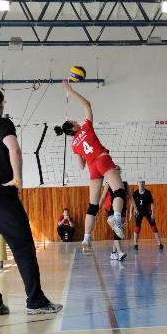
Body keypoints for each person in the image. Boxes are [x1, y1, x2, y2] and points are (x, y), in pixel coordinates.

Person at [0, 87, 62, 316]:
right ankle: (36, 302)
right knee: (23, 247)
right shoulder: (1, 123)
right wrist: (17, 179)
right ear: (1, 104)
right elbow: (14, 149)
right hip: (1, 197)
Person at [55, 80, 127, 252]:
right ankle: (116, 218)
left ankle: (86, 238)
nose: (76, 120)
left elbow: (80, 166)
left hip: (92, 168)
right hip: (102, 159)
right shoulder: (86, 127)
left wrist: (82, 151)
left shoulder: (74, 144)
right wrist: (70, 90)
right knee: (119, 190)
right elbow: (87, 104)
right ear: (74, 126)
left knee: (93, 206)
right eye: (74, 121)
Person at [100, 167, 136, 261]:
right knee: (117, 230)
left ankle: (113, 253)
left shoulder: (125, 184)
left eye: (117, 170)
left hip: (122, 209)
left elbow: (131, 197)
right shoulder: (108, 183)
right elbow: (103, 197)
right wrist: (96, 209)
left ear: (119, 172)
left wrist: (135, 208)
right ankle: (120, 253)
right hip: (111, 210)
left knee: (118, 231)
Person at [132, 180, 164, 250]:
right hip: (138, 212)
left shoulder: (148, 193)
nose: (141, 184)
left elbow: (151, 204)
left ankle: (160, 244)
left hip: (148, 211)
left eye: (142, 182)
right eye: (140, 182)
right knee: (137, 228)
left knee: (154, 227)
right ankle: (135, 244)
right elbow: (132, 203)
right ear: (137, 184)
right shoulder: (135, 193)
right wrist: (131, 213)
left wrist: (153, 213)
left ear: (144, 184)